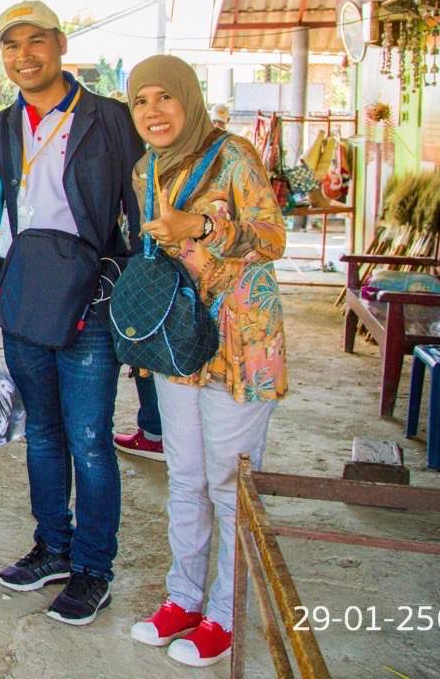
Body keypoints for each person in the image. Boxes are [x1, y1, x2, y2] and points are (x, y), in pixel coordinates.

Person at [0, 0, 142, 626]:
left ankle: (93, 570)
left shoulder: (110, 119)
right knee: (42, 433)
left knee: (91, 440)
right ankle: (53, 547)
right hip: (23, 296)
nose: (25, 55)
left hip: (91, 299)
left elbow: (137, 208)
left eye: (36, 41)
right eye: (12, 45)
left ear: (61, 43)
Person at [124, 55, 286, 668]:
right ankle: (183, 597)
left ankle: (225, 612)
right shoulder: (150, 168)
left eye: (165, 97)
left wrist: (204, 225)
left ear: (189, 99)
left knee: (230, 484)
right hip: (178, 342)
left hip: (240, 343)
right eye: (141, 100)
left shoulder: (234, 155)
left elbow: (271, 237)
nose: (153, 111)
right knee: (185, 477)